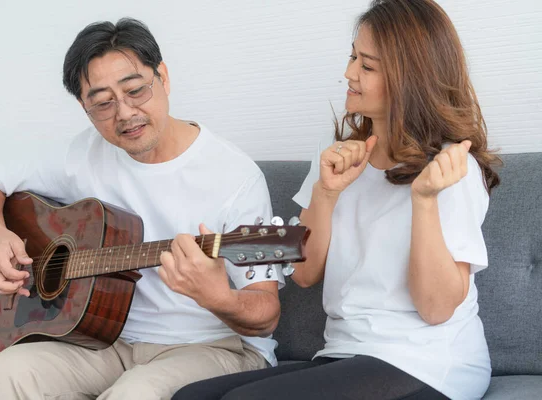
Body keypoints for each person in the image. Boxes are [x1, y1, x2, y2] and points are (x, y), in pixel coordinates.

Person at [173, 0, 501, 399]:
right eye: (352, 57)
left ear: (409, 78)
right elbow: (306, 275)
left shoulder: (451, 168)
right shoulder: (339, 156)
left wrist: (425, 199)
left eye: (367, 66)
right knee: (189, 396)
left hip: (428, 362)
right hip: (346, 354)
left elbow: (435, 309)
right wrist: (326, 193)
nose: (349, 73)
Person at [0, 17, 285, 400]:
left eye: (135, 91)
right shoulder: (81, 155)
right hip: (108, 343)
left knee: (134, 394)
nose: (125, 113)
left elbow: (266, 315)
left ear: (162, 77)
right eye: (102, 103)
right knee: (7, 372)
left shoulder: (234, 175)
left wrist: (218, 297)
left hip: (213, 347)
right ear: (84, 108)